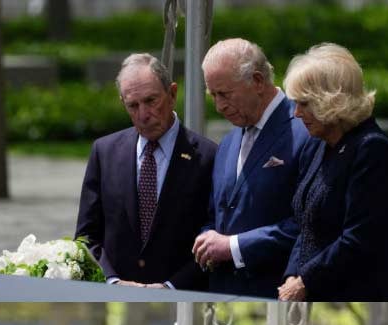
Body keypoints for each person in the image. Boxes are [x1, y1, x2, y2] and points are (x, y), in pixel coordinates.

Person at [75, 53, 216, 290]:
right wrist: (112, 281)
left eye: (151, 101)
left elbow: (214, 236)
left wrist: (171, 286)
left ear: (172, 94)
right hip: (115, 295)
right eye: (133, 105)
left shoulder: (208, 156)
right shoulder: (104, 152)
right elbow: (86, 237)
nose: (143, 115)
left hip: (182, 297)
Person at [192, 39, 321, 297]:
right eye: (213, 95)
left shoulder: (306, 131)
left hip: (277, 295)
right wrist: (207, 240)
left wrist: (234, 247)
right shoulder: (228, 142)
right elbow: (216, 213)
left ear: (258, 81)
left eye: (225, 94)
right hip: (223, 295)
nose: (219, 106)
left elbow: (311, 225)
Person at [279, 44, 388, 302]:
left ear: (332, 99)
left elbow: (360, 240)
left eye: (304, 103)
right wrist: (292, 276)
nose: (296, 113)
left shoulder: (372, 149)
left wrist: (305, 281)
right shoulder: (319, 144)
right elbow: (306, 226)